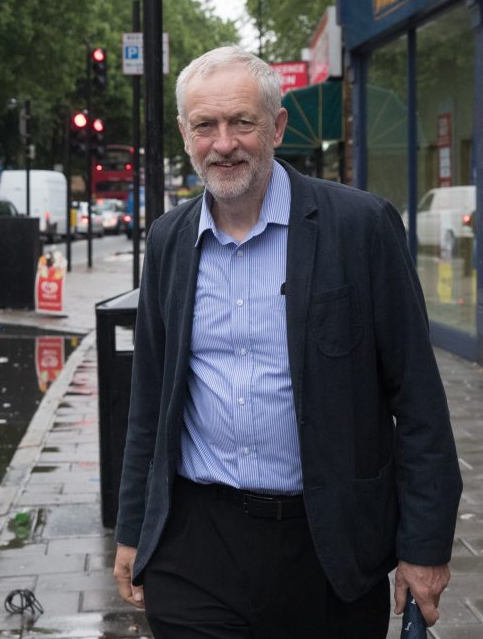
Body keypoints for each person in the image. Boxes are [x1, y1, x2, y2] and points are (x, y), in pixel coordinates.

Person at [112, 46, 462, 638]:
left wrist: (424, 546)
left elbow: (419, 401)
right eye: (205, 126)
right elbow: (149, 400)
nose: (224, 143)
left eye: (242, 122)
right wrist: (132, 529)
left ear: (276, 126)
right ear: (185, 133)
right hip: (197, 544)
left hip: (329, 549)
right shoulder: (169, 240)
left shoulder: (361, 228)